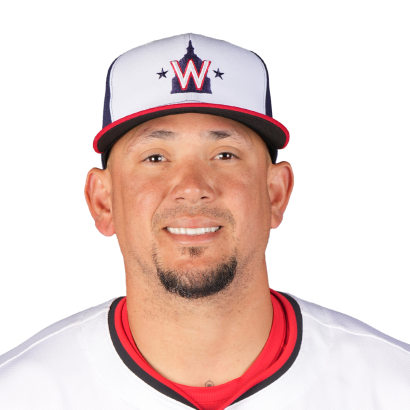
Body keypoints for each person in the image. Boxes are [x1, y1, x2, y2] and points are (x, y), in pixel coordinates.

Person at [0, 33, 409, 410]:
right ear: (103, 201)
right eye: (155, 157)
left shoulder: (393, 385)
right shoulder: (20, 393)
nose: (192, 187)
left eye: (225, 155)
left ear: (276, 193)